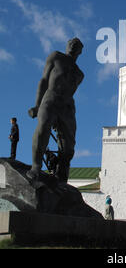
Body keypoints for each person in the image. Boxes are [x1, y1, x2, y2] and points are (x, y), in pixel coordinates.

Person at [27, 38, 84, 182]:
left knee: (68, 146)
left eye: (76, 45)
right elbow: (44, 80)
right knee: (43, 128)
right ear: (66, 45)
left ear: (80, 51)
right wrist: (37, 104)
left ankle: (61, 176)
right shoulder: (56, 57)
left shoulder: (79, 74)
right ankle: (36, 166)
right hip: (51, 98)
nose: (72, 46)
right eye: (70, 43)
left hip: (67, 106)